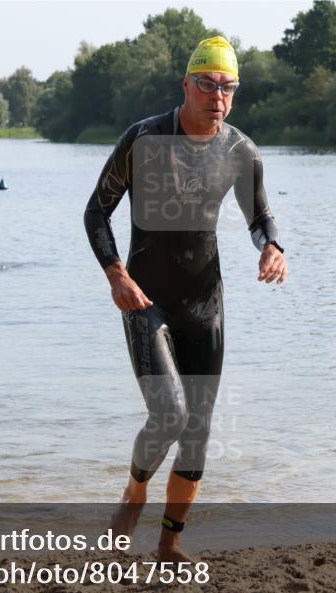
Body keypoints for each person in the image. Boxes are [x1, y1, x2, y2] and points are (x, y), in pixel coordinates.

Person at [84, 36, 288, 562]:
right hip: (145, 301)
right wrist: (116, 276)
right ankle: (134, 491)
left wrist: (272, 247)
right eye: (206, 84)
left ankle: (170, 544)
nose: (217, 96)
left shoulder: (241, 152)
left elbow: (259, 217)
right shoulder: (144, 139)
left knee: (197, 432)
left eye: (228, 87)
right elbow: (95, 213)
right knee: (169, 416)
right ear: (186, 85)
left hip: (204, 305)